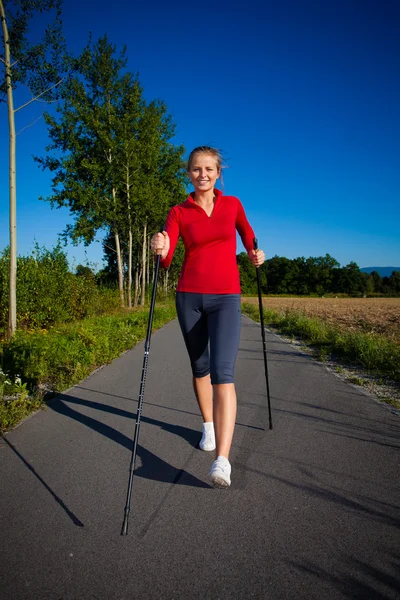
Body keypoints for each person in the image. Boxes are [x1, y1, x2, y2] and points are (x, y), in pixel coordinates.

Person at [150, 146, 265, 488]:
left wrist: (255, 252)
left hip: (227, 297)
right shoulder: (179, 211)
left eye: (209, 169)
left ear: (218, 174)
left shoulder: (232, 205)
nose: (202, 174)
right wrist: (160, 244)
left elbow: (248, 234)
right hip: (189, 298)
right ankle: (208, 427)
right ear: (189, 173)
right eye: (196, 169)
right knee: (200, 366)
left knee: (223, 373)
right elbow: (167, 257)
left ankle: (222, 461)